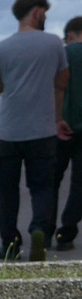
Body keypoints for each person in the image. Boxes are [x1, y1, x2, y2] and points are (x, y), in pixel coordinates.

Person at [0, 0, 68, 262]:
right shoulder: (54, 43)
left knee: (7, 192)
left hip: (9, 133)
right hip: (42, 132)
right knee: (43, 188)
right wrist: (57, 118)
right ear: (37, 13)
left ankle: (10, 245)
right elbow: (62, 82)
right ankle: (39, 231)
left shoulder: (1, 48)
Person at [53, 15, 82, 249]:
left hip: (59, 127)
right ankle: (67, 231)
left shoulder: (61, 56)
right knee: (79, 184)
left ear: (70, 35)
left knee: (50, 181)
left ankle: (43, 228)